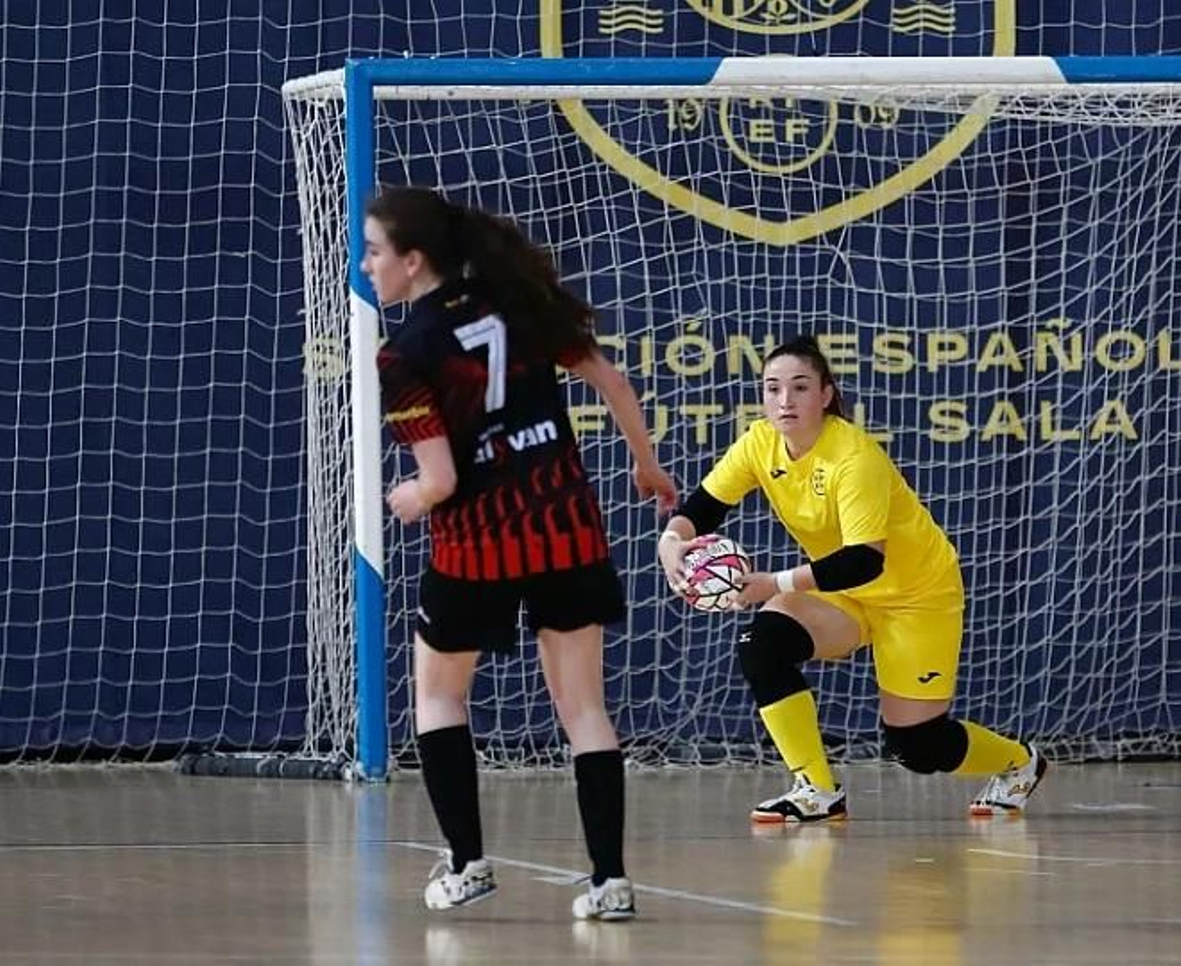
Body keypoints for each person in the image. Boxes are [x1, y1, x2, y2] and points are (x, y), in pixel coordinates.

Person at [362, 185, 677, 920]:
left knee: (440, 696)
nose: (367, 264)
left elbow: (440, 481)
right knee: (584, 708)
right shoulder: (516, 300)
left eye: (376, 251)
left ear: (413, 262)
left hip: (477, 547)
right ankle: (610, 881)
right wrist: (647, 466)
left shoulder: (404, 352)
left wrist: (410, 496)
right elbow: (614, 382)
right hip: (566, 527)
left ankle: (469, 865)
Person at [657, 335, 1045, 823]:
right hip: (844, 594)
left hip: (915, 595)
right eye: (772, 388)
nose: (784, 400)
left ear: (825, 394)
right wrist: (670, 542)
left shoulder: (853, 458)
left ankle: (1020, 762)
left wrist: (772, 584)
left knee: (917, 747)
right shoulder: (760, 443)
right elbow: (701, 509)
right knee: (764, 642)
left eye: (799, 387)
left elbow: (863, 560)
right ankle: (817, 788)